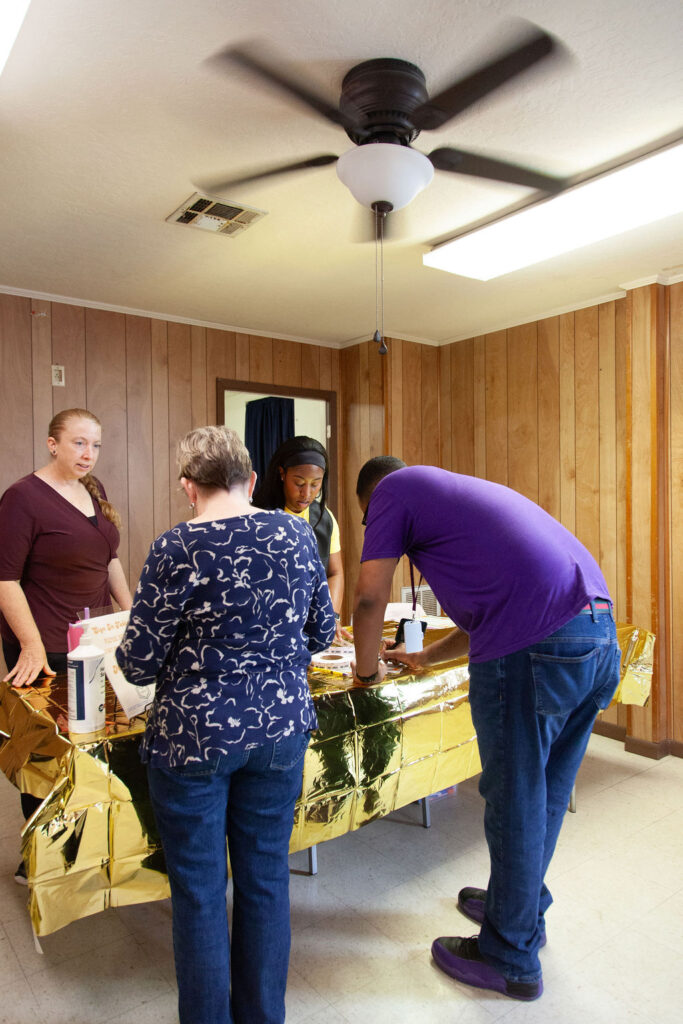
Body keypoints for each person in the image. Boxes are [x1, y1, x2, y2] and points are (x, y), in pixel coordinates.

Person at [351, 458, 621, 1003]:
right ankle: (518, 908)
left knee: (516, 796)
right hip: (596, 634)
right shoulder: (455, 496)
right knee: (545, 791)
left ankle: (509, 956)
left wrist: (365, 672)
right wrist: (426, 656)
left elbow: (368, 597)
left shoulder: (391, 491)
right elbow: (491, 614)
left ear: (371, 500)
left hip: (538, 646)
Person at [116, 425, 335, 1024]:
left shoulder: (175, 547)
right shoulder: (295, 533)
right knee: (265, 879)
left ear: (189, 487)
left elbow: (137, 663)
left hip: (195, 738)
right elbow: (322, 631)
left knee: (200, 890)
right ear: (253, 479)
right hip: (280, 730)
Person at [0, 407, 132, 881]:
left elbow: (109, 559)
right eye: (78, 443)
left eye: (95, 445)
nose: (88, 453)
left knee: (93, 747)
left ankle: (85, 844)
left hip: (94, 640)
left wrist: (132, 616)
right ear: (52, 444)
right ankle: (41, 858)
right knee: (48, 754)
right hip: (47, 646)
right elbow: (5, 579)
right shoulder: (22, 498)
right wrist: (31, 645)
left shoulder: (93, 490)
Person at [253, 435, 350, 641]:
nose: (306, 493)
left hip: (312, 628)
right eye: (298, 483)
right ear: (282, 474)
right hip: (266, 629)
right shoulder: (256, 516)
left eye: (315, 484)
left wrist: (331, 618)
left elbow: (335, 573)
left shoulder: (325, 519)